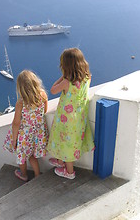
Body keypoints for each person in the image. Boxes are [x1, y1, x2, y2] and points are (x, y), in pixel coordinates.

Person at [47, 48, 94, 180]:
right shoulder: (87, 78)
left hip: (66, 120)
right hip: (78, 119)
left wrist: (63, 77)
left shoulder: (67, 82)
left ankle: (69, 172)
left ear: (66, 66)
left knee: (67, 144)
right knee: (69, 142)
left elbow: (53, 90)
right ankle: (61, 161)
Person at [3, 70, 49, 181]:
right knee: (32, 155)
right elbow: (45, 111)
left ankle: (24, 175)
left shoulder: (21, 103)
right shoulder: (42, 94)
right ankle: (38, 175)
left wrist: (14, 140)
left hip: (25, 136)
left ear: (20, 88)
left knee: (22, 158)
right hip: (38, 133)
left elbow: (16, 123)